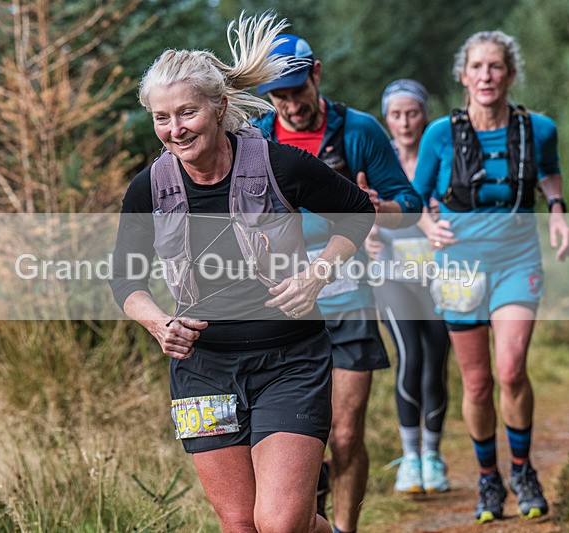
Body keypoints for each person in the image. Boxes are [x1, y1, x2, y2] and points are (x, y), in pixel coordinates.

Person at [110, 13, 375, 532]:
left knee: (278, 523)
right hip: (201, 369)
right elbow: (125, 279)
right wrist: (157, 322)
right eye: (161, 118)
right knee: (240, 524)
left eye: (186, 113)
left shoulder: (280, 165)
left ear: (220, 107)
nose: (174, 129)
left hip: (289, 360)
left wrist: (317, 274)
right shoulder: (149, 189)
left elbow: (357, 212)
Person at [253, 35, 423, 533]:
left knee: (345, 435)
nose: (290, 104)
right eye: (278, 96)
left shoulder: (359, 131)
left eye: (297, 89)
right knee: (296, 437)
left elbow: (408, 208)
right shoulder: (256, 139)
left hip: (347, 298)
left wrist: (375, 208)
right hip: (281, 305)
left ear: (317, 75)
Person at [412, 31, 569, 523]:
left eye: (496, 66)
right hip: (459, 266)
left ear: (510, 73)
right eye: (477, 67)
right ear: (463, 76)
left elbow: (548, 171)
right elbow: (414, 194)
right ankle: (488, 480)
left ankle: (523, 470)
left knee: (510, 368)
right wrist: (427, 226)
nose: (486, 76)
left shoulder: (538, 128)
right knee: (478, 384)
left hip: (516, 262)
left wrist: (558, 211)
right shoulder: (440, 133)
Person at [368, 79, 452, 494]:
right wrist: (367, 233)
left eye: (412, 112)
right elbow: (362, 210)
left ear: (425, 115)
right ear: (387, 119)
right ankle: (411, 457)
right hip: (392, 275)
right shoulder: (380, 162)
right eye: (396, 114)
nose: (404, 122)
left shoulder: (442, 158)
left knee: (437, 361)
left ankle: (434, 457)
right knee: (411, 355)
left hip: (439, 277)